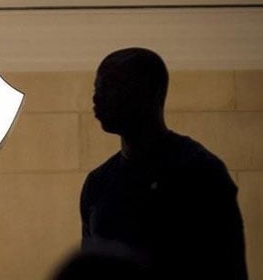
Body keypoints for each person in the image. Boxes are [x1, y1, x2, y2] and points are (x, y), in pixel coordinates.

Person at [80, 47, 247, 279]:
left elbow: (228, 268)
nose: (97, 98)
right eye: (97, 87)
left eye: (112, 86)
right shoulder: (98, 183)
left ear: (150, 92)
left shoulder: (199, 172)